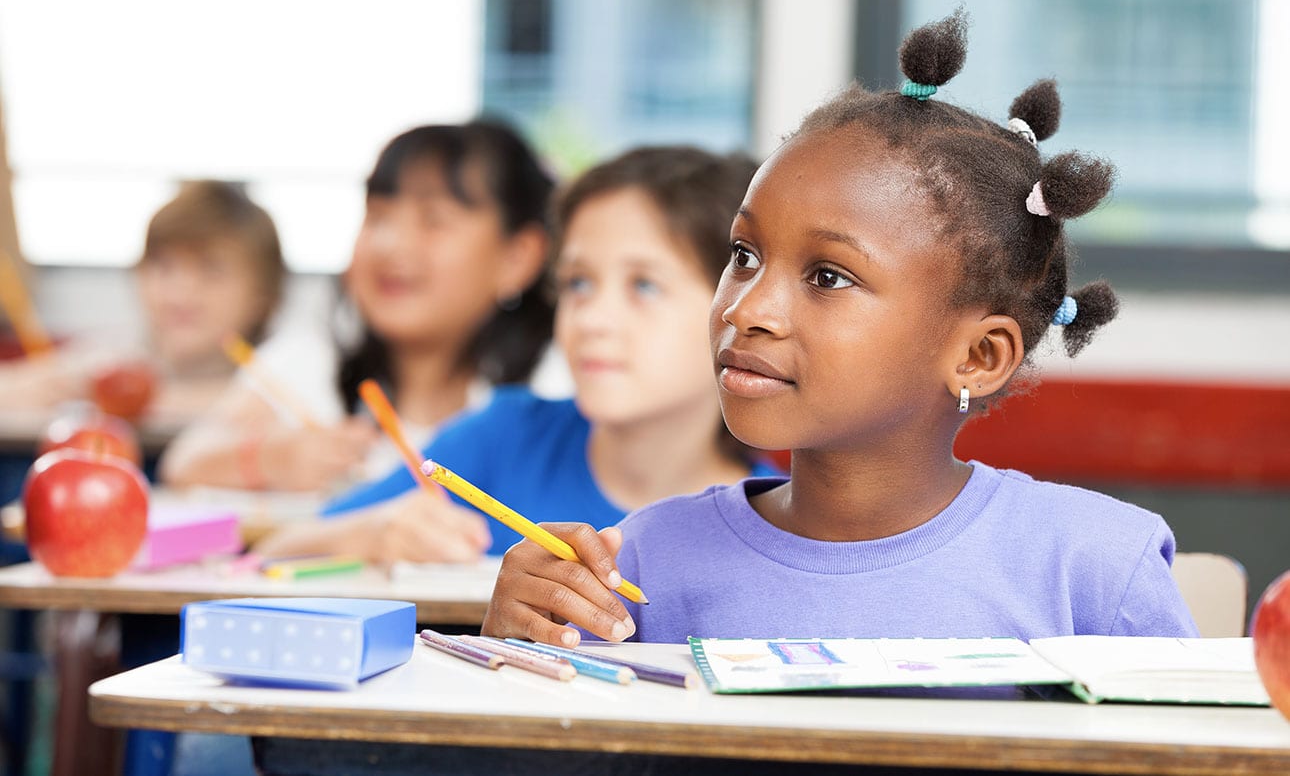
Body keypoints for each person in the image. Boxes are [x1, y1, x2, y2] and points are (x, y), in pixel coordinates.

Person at [481, 10, 1200, 647]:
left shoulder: (1095, 570)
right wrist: (514, 652)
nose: (746, 308)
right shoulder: (638, 564)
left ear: (980, 356)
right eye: (744, 256)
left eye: (828, 276)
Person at [254, 146, 780, 565]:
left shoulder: (775, 513)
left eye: (643, 286)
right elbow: (272, 555)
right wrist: (372, 533)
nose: (591, 318)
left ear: (737, 304)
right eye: (577, 283)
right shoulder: (501, 437)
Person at [158, 121, 553, 511]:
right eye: (377, 217)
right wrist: (270, 460)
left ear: (517, 257)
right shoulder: (313, 360)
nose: (389, 243)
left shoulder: (552, 388)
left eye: (434, 221)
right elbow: (183, 463)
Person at [0, 180, 285, 420]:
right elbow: (23, 383)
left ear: (262, 296)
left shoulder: (281, 365)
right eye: (163, 266)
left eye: (211, 270)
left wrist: (141, 400)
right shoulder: (117, 356)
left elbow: (273, 405)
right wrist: (25, 388)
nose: (180, 290)